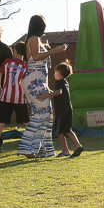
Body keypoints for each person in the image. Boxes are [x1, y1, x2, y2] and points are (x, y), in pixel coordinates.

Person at [18, 15, 68, 159]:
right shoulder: (33, 39)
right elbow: (36, 56)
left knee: (47, 115)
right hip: (34, 81)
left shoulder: (36, 40)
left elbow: (40, 55)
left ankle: (42, 149)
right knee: (43, 112)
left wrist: (50, 48)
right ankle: (26, 147)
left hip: (39, 81)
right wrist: (54, 51)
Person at [0, 42, 30, 153]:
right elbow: (26, 83)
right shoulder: (26, 67)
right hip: (19, 98)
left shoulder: (7, 62)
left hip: (5, 96)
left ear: (14, 51)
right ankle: (34, 143)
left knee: (1, 122)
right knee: (26, 121)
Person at [46, 62, 84, 157]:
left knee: (59, 131)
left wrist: (47, 95)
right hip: (68, 109)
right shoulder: (65, 82)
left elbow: (58, 92)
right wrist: (50, 92)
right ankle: (78, 145)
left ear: (58, 72)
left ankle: (65, 150)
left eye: (55, 71)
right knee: (68, 130)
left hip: (61, 111)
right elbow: (59, 93)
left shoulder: (58, 82)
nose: (54, 74)